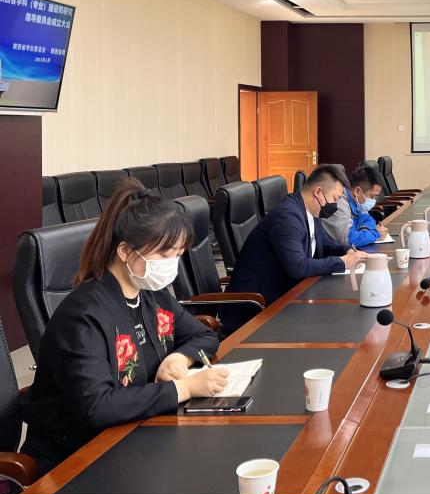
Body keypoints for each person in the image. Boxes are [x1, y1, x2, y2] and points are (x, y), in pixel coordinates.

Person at [20, 180, 228, 474]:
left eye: (178, 254)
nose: (172, 264)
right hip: (75, 459)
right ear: (125, 251)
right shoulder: (83, 316)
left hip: (135, 438)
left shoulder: (151, 295)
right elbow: (97, 407)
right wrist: (183, 388)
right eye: (165, 254)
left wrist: (178, 358)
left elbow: (204, 334)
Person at [226, 164, 367, 327]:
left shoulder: (310, 210)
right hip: (258, 310)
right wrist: (342, 262)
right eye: (335, 199)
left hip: (287, 295)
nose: (335, 204)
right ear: (318, 192)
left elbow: (324, 244)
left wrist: (348, 251)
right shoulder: (288, 218)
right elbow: (297, 266)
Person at [323, 166, 388, 248]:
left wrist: (364, 233)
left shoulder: (358, 203)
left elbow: (369, 220)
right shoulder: (338, 204)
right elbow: (348, 239)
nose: (373, 201)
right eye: (372, 196)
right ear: (357, 191)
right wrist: (376, 233)